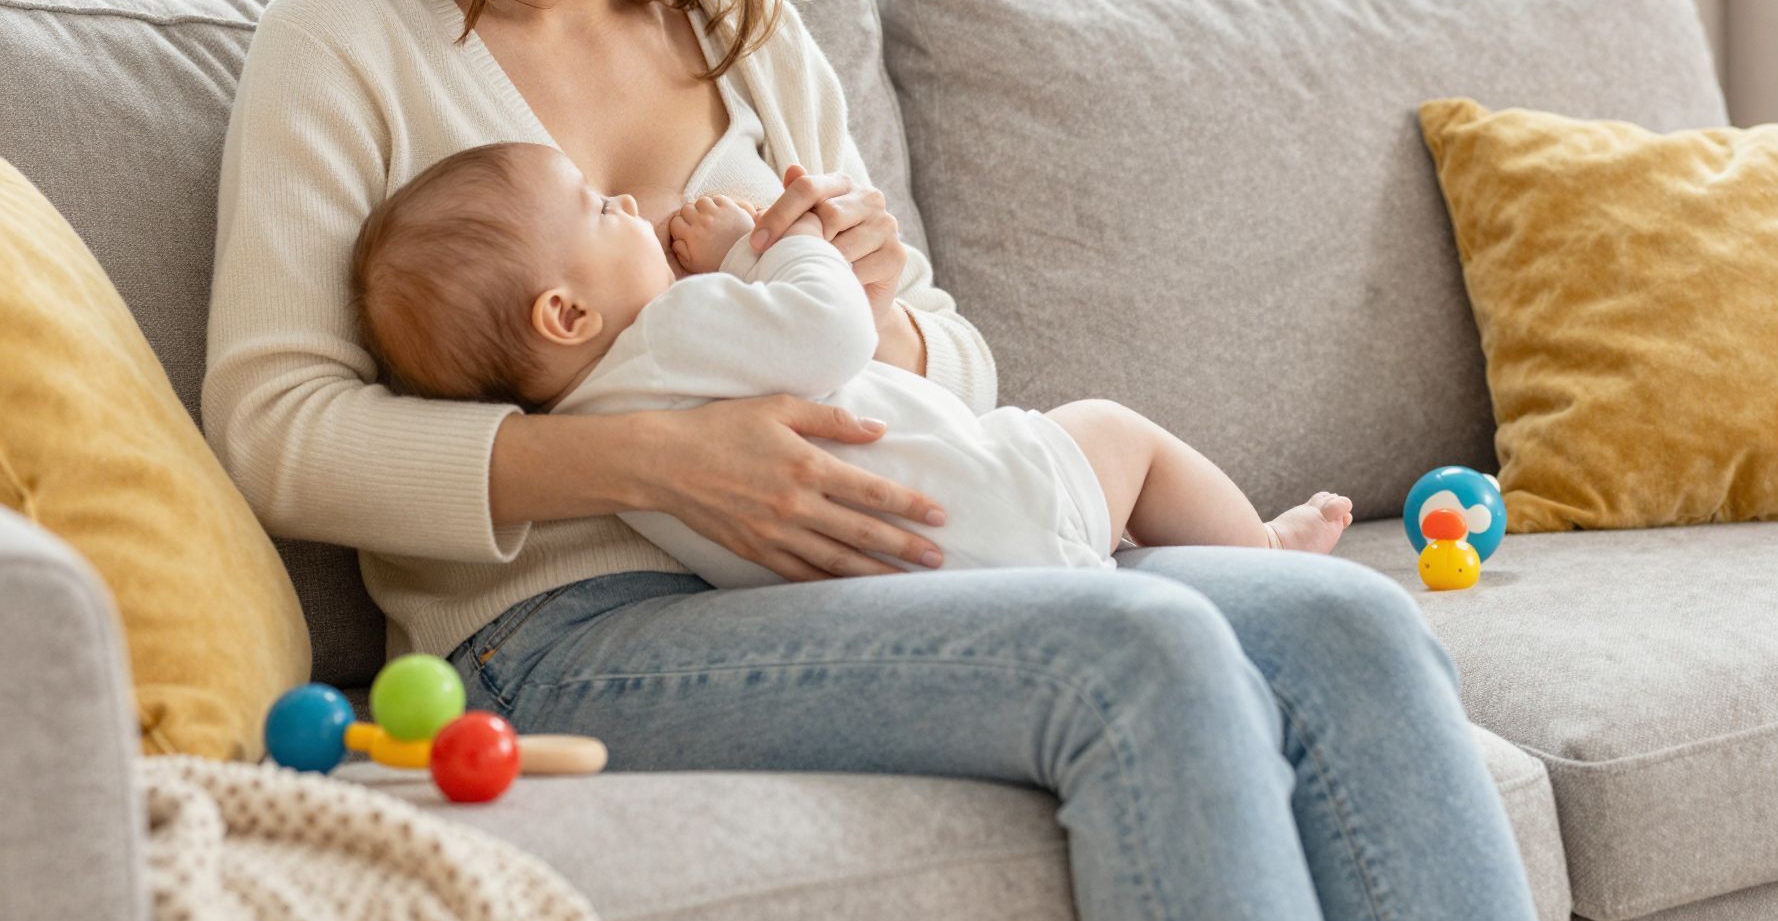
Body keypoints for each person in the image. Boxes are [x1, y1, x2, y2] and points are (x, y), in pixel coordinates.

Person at [203, 0, 1549, 921]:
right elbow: (278, 430)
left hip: (866, 570)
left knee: (1348, 625)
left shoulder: (752, 40)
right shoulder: (350, 38)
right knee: (1142, 654)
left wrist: (888, 312)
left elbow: (959, 358)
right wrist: (652, 463)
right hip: (572, 622)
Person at [346, 138, 1359, 586]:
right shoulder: (678, 326)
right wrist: (765, 246)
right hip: (987, 501)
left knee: (1107, 497)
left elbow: (891, 345)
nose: (625, 204)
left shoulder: (582, 424)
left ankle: (1181, 556)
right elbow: (823, 333)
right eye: (595, 207)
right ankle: (1259, 553)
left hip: (914, 568)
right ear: (567, 312)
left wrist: (887, 301)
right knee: (1114, 434)